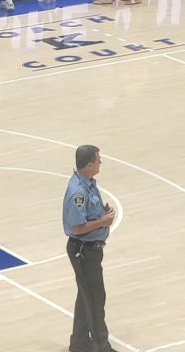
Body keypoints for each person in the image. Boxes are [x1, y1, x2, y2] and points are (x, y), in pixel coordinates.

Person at [62, 144, 117, 352]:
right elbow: (77, 227)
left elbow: (87, 214)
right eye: (98, 159)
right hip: (84, 250)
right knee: (95, 298)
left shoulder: (87, 182)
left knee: (86, 294)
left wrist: (101, 213)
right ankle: (101, 346)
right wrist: (103, 222)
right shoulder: (78, 191)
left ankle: (79, 342)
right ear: (89, 165)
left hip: (88, 249)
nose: (100, 162)